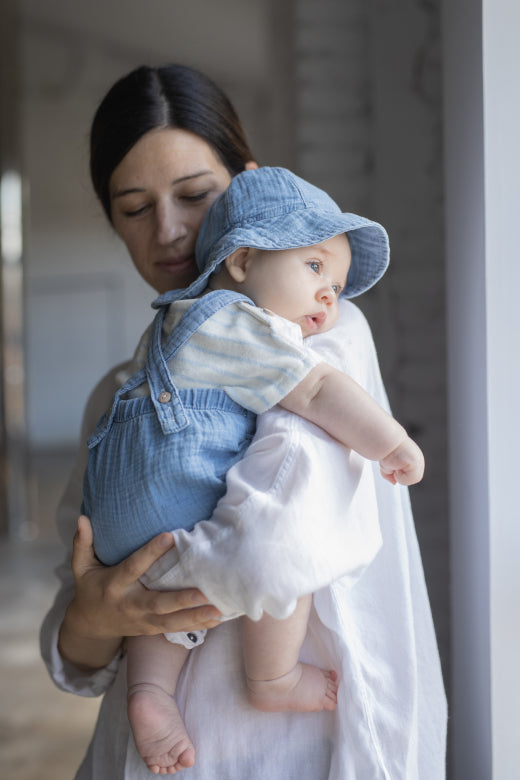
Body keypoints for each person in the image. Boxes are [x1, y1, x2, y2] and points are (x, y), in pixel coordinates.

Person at [40, 64, 447, 779]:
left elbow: (272, 547)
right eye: (133, 208)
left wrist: (160, 582)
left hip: (274, 754)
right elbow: (73, 655)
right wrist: (94, 616)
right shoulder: (119, 392)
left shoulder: (321, 332)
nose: (168, 230)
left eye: (195, 195)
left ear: (247, 193)